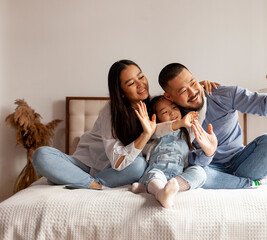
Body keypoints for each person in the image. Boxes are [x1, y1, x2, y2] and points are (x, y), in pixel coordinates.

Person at [32, 60, 217, 190]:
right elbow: (117, 161)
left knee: (139, 166)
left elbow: (183, 120)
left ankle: (82, 182)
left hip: (117, 172)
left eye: (141, 77)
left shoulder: (155, 106)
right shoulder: (112, 111)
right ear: (121, 92)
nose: (141, 85)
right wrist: (145, 133)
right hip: (86, 165)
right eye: (131, 83)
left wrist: (198, 90)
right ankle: (92, 183)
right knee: (41, 154)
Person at [158, 63, 267, 189]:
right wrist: (208, 153)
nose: (193, 92)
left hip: (241, 162)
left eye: (193, 83)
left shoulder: (222, 94)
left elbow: (262, 104)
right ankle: (251, 184)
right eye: (183, 91)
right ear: (169, 97)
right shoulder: (171, 117)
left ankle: (231, 182)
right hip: (209, 168)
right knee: (197, 173)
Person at [131, 98, 216, 208]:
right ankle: (160, 193)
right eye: (165, 112)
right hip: (157, 172)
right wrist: (177, 123)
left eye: (174, 107)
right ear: (156, 119)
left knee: (200, 173)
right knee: (154, 176)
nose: (172, 112)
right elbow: (158, 130)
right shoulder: (155, 133)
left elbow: (200, 112)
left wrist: (201, 90)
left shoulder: (187, 132)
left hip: (177, 177)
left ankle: (162, 189)